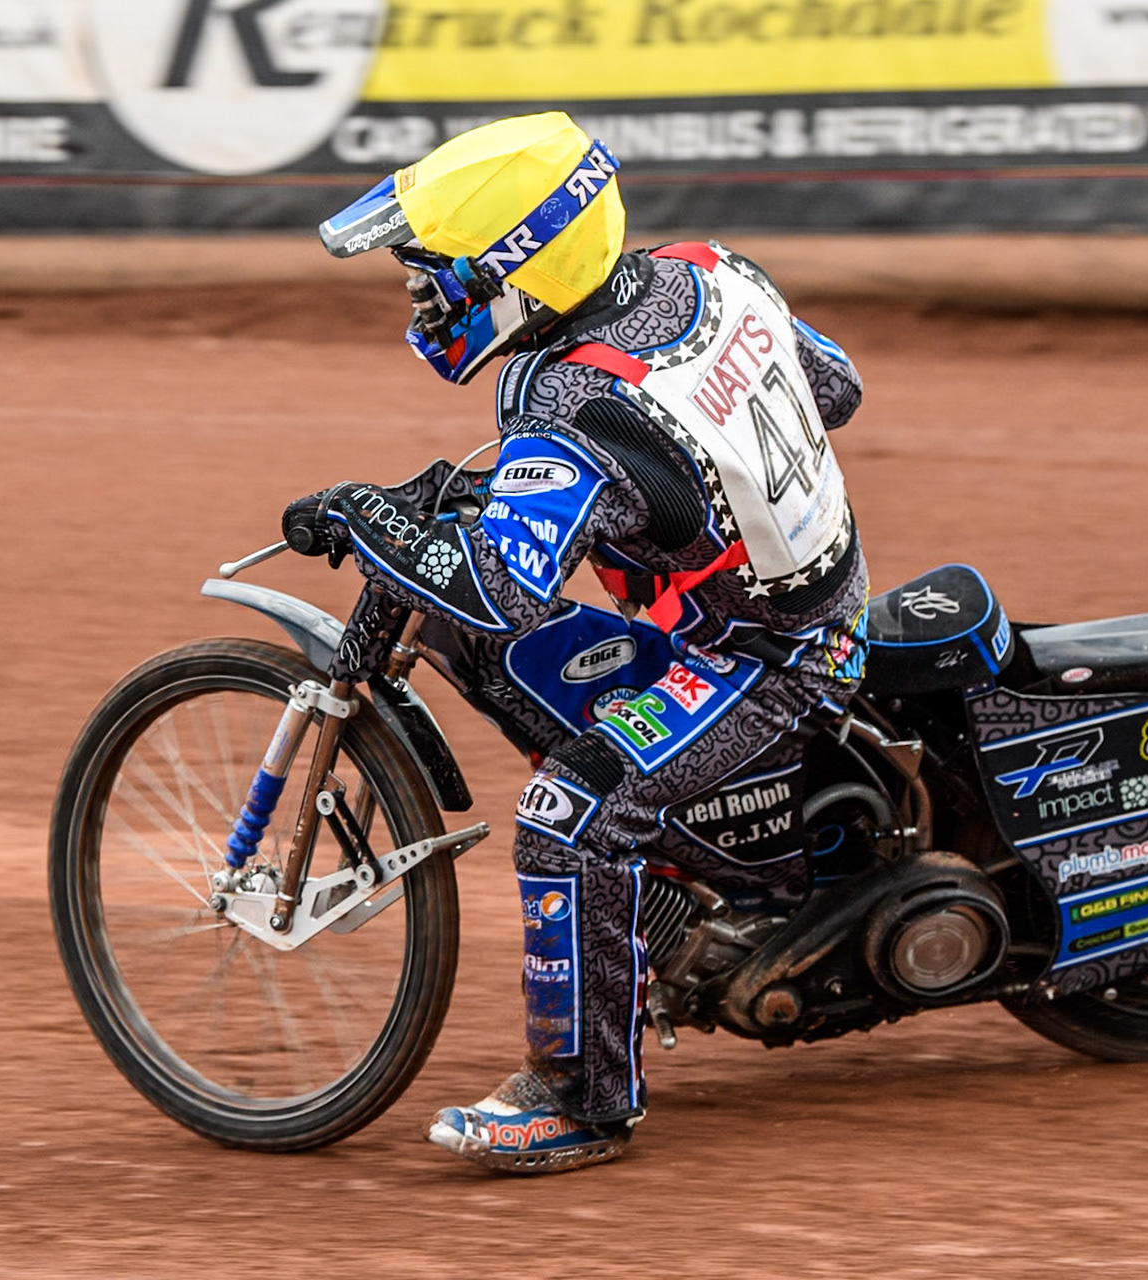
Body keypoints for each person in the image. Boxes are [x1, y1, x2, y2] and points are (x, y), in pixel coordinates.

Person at [283, 111, 869, 1174]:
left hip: (770, 661)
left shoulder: (566, 403)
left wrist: (368, 516)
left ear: (518, 268)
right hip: (802, 600)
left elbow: (504, 588)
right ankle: (671, 891)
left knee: (570, 816)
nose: (419, 293)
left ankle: (584, 1098)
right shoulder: (705, 268)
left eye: (435, 271)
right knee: (513, 663)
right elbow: (835, 386)